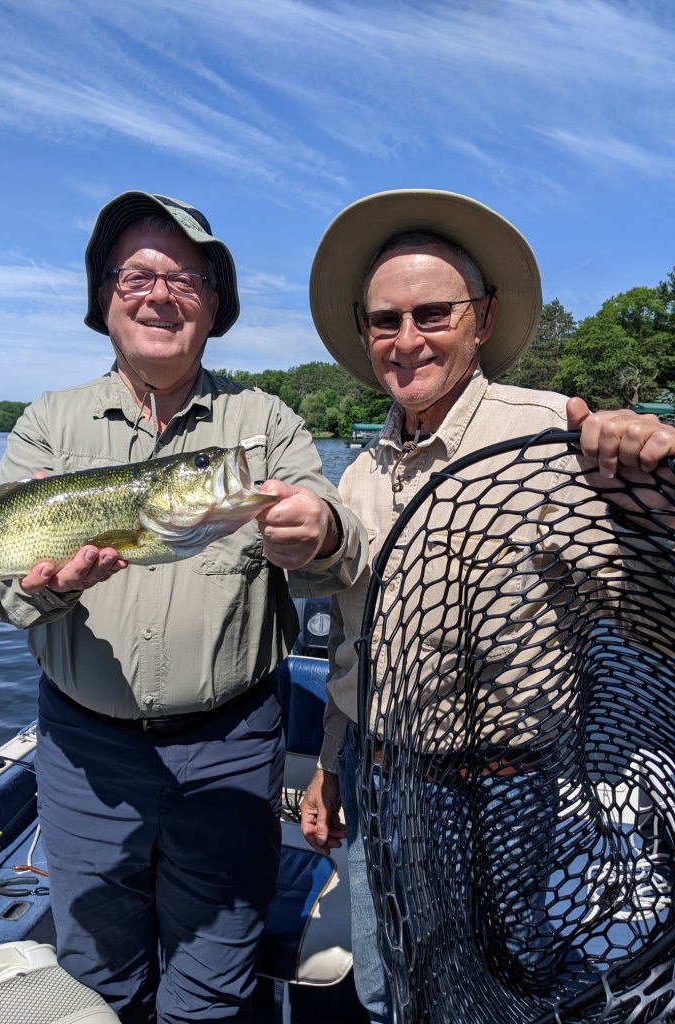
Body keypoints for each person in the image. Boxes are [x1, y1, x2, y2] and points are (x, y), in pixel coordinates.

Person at [0, 190, 367, 1024]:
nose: (160, 293)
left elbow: (342, 545)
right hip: (85, 752)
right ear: (104, 297)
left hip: (230, 748)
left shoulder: (261, 422)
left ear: (215, 303)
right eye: (136, 274)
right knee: (96, 976)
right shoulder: (48, 423)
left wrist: (321, 531)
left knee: (214, 980)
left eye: (185, 277)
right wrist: (42, 585)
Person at [298, 188, 675, 1023]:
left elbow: (652, 621)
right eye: (383, 321)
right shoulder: (359, 474)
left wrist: (658, 485)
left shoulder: (557, 437)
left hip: (512, 788)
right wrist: (329, 767)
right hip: (378, 777)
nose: (406, 340)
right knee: (385, 986)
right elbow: (351, 648)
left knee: (503, 996)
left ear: (484, 316)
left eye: (432, 313)